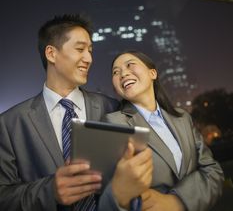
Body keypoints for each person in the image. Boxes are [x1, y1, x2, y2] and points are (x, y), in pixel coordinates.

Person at [0, 15, 153, 211]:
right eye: (80, 49)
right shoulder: (9, 123)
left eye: (90, 51)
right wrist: (50, 191)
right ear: (51, 53)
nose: (89, 59)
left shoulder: (114, 108)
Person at [104, 50, 224, 211]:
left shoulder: (183, 118)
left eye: (130, 65)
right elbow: (115, 191)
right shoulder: (113, 123)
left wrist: (177, 201)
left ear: (153, 73)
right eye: (115, 72)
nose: (123, 73)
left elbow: (213, 171)